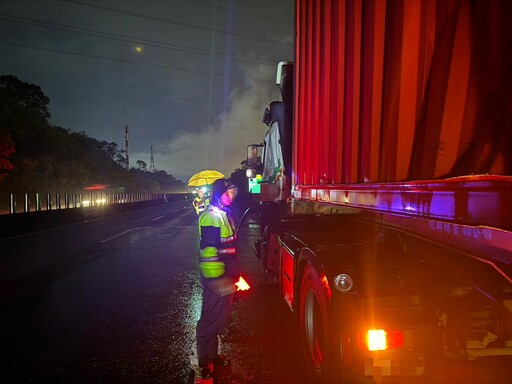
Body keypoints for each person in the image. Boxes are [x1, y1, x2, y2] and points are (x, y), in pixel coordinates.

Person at [192, 179, 240, 382]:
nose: (231, 197)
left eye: (233, 193)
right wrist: (217, 279)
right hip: (217, 279)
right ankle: (201, 363)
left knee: (219, 320)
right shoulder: (211, 217)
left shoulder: (224, 214)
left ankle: (212, 355)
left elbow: (229, 248)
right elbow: (209, 252)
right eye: (227, 193)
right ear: (218, 194)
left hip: (226, 277)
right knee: (210, 321)